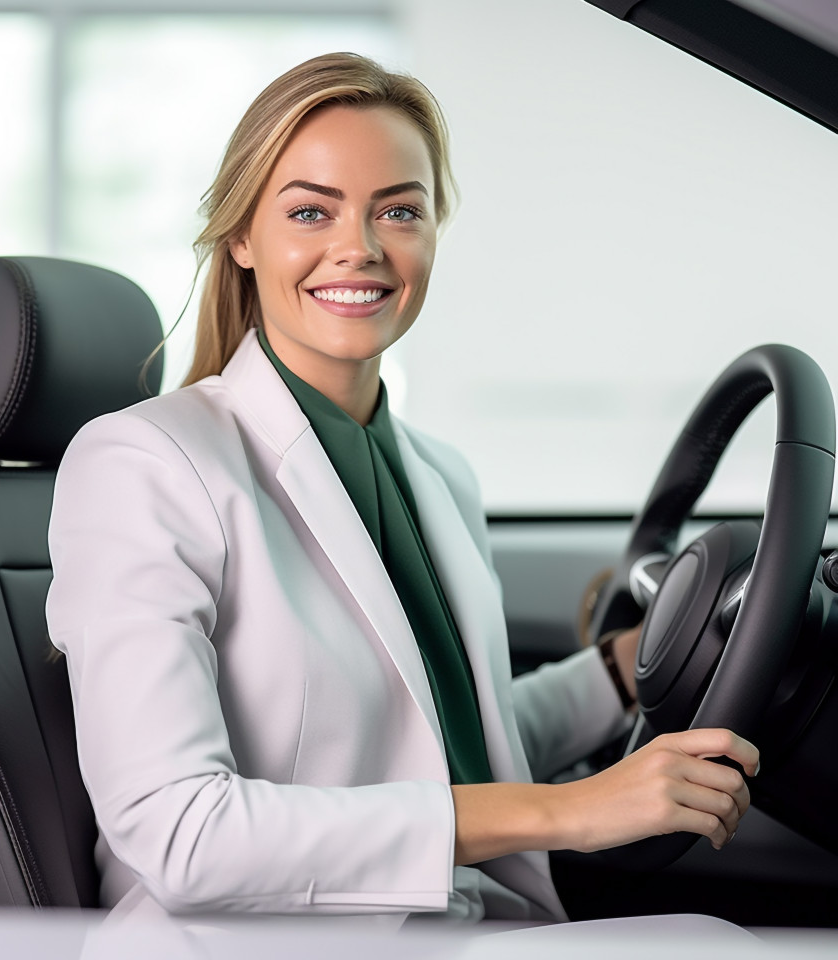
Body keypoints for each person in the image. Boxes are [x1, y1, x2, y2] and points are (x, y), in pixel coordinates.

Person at [46, 52, 758, 927]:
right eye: (312, 210)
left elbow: (443, 739)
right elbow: (181, 832)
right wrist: (568, 811)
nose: (361, 247)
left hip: (466, 923)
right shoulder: (144, 463)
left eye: (399, 210)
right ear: (241, 237)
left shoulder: (436, 473)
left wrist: (621, 672)